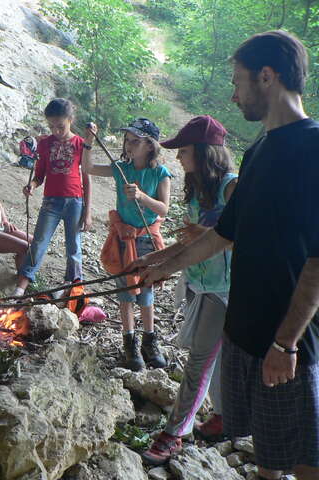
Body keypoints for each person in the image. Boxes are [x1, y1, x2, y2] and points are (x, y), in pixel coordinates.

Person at [141, 31, 319, 480]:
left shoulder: (312, 149)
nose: (233, 94)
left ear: (267, 76)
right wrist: (161, 265)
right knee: (267, 452)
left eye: (238, 81)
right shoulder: (258, 149)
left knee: (304, 458)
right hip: (244, 330)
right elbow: (223, 233)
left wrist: (286, 343)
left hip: (286, 341)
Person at [126, 116, 237, 465]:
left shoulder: (231, 187)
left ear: (206, 153)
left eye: (184, 151)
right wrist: (151, 261)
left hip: (228, 289)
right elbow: (189, 242)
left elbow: (231, 238)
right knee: (215, 358)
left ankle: (174, 434)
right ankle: (222, 417)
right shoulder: (198, 187)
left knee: (200, 362)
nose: (178, 158)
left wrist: (161, 268)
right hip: (200, 283)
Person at [83, 118, 171, 370]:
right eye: (127, 140)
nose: (129, 145)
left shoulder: (160, 174)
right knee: (125, 292)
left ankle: (149, 341)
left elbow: (163, 209)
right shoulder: (121, 167)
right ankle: (129, 343)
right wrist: (88, 142)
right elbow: (87, 168)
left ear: (150, 145)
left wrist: (142, 197)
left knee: (146, 290)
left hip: (146, 238)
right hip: (123, 239)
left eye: (135, 141)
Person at [13, 98, 92, 296]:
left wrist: (87, 212)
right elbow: (40, 174)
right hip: (51, 201)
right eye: (51, 126)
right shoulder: (45, 144)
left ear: (71, 120)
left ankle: (70, 289)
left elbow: (87, 178)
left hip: (75, 201)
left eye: (61, 126)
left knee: (73, 247)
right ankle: (20, 287)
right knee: (39, 241)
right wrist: (31, 185)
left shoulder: (80, 144)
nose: (56, 131)